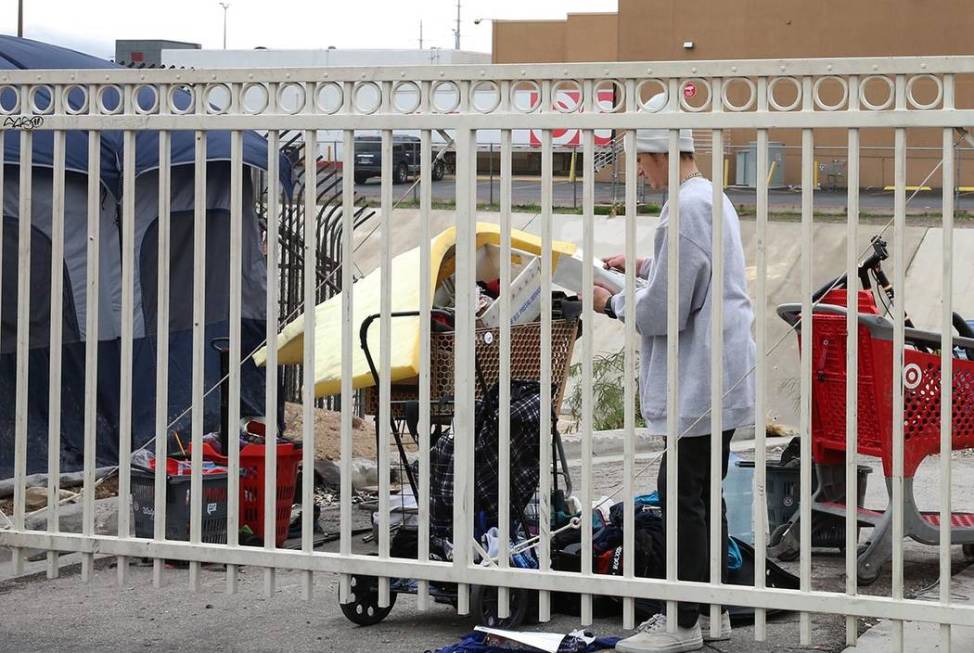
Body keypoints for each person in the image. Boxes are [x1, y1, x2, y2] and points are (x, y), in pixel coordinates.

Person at [594, 93, 756, 653]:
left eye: (640, 158)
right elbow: (691, 268)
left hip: (701, 377)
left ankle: (681, 623)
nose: (638, 170)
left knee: (681, 491)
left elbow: (663, 310)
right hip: (723, 373)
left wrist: (608, 301)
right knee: (701, 490)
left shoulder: (685, 209)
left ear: (661, 153)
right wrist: (638, 267)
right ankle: (713, 611)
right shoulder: (708, 198)